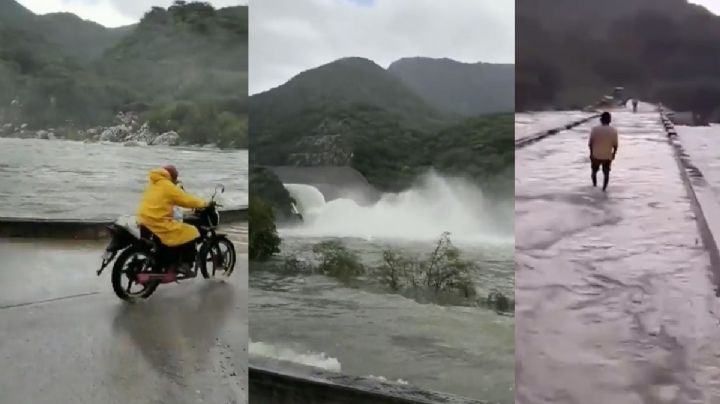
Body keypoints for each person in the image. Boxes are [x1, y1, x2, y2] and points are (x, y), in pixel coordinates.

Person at [136, 165, 210, 275]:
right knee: (191, 231)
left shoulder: (153, 183)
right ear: (173, 176)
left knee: (178, 229)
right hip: (158, 222)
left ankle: (169, 262)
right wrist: (204, 203)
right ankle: (185, 264)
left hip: (144, 220)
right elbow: (186, 200)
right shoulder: (167, 186)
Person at [588, 112, 618, 191]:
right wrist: (613, 154)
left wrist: (591, 154)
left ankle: (594, 186)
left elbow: (590, 143)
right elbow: (615, 145)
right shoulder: (613, 131)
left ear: (601, 120)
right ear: (610, 120)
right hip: (607, 156)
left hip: (596, 155)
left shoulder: (595, 129)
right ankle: (604, 190)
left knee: (594, 172)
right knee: (606, 173)